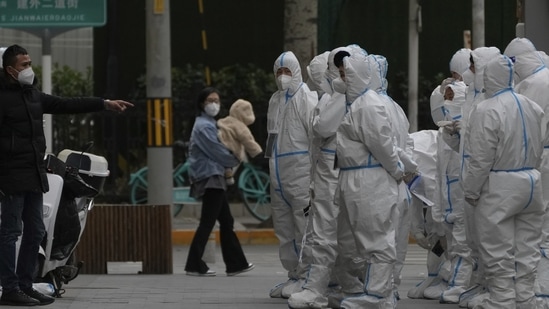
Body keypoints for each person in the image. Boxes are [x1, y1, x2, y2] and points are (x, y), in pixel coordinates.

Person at [0, 44, 133, 306]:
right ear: (10, 70)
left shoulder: (33, 95)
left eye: (29, 63)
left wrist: (104, 104)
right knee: (10, 232)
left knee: (36, 231)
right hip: (10, 176)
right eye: (24, 65)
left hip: (34, 174)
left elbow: (66, 104)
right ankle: (10, 287)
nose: (29, 68)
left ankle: (26, 284)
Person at [462, 54, 548, 309]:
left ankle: (502, 299)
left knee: (496, 246)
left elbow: (481, 157)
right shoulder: (531, 105)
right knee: (527, 246)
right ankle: (524, 298)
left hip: (500, 184)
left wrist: (471, 190)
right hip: (532, 182)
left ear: (488, 78)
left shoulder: (486, 109)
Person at [334, 51, 404, 309]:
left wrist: (396, 170)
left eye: (347, 73)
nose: (343, 78)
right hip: (358, 178)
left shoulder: (368, 104)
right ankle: (379, 294)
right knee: (367, 237)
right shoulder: (359, 104)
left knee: (376, 237)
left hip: (369, 179)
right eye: (341, 73)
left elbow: (382, 144)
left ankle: (377, 294)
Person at [184, 87, 254, 277]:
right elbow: (217, 151)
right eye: (210, 100)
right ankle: (195, 264)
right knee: (208, 222)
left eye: (217, 100)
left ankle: (235, 264)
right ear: (202, 103)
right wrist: (236, 158)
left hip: (214, 177)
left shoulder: (210, 123)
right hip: (210, 177)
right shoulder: (203, 126)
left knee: (225, 220)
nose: (214, 104)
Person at [266, 51, 316, 298]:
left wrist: (314, 176)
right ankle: (293, 274)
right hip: (278, 174)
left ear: (296, 72)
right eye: (279, 72)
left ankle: (307, 277)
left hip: (300, 173)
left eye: (287, 71)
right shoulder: (275, 100)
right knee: (284, 228)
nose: (283, 77)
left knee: (303, 227)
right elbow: (272, 138)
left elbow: (314, 138)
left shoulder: (306, 98)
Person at [503, 37, 549, 308]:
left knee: (538, 227)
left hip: (542, 158)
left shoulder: (531, 85)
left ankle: (539, 289)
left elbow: (524, 127)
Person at [216, 99, 263, 185]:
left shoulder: (227, 119)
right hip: (230, 148)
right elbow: (249, 141)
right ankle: (228, 175)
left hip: (219, 144)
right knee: (234, 158)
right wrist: (258, 152)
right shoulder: (241, 127)